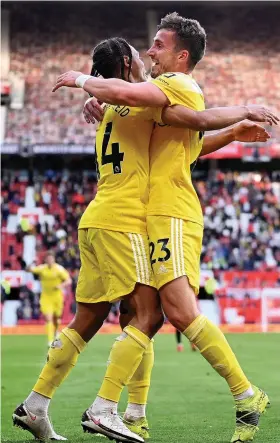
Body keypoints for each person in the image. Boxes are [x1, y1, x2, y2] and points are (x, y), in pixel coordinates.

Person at [15, 20, 274, 443]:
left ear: (181, 56)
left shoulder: (132, 104)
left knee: (100, 317)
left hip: (107, 218)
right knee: (148, 314)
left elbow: (187, 132)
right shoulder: (137, 100)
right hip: (127, 218)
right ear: (124, 64)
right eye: (140, 52)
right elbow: (193, 121)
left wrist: (232, 128)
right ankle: (112, 410)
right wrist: (240, 113)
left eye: (155, 46)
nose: (148, 54)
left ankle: (55, 406)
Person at [28, 252, 72, 346]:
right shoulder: (42, 268)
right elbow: (28, 270)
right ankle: (50, 340)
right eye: (48, 259)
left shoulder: (59, 269)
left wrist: (60, 285)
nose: (49, 261)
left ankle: (56, 332)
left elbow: (68, 280)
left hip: (57, 297)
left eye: (51, 259)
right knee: (48, 318)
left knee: (56, 319)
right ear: (45, 260)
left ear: (54, 259)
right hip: (46, 297)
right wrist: (32, 262)